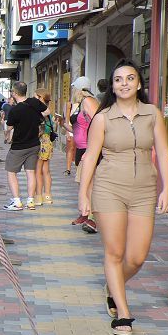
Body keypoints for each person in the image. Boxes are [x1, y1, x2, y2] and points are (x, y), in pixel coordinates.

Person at [79, 60, 168, 335]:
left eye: (130, 78)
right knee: (115, 252)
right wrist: (84, 193)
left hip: (144, 190)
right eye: (118, 79)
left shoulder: (152, 114)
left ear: (139, 83)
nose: (124, 83)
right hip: (109, 189)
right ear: (113, 85)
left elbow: (164, 152)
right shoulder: (103, 117)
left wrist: (167, 188)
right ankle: (123, 311)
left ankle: (113, 285)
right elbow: (91, 156)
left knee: (137, 256)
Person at [2, 81, 47, 211]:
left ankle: (17, 202)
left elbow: (9, 127)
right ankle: (31, 201)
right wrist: (36, 118)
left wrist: (6, 131)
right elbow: (47, 111)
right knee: (30, 172)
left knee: (11, 172)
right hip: (34, 144)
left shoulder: (15, 110)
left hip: (18, 146)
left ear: (15, 93)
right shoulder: (34, 102)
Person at [69, 78, 99, 230]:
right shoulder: (80, 104)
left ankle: (92, 217)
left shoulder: (88, 101)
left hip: (89, 148)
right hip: (81, 148)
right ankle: (85, 214)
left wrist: (91, 149)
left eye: (73, 88)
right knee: (83, 182)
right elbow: (79, 127)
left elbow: (98, 123)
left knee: (90, 184)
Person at [33, 90, 55, 206]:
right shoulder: (48, 112)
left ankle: (38, 196)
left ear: (40, 98)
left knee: (38, 171)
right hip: (48, 142)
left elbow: (38, 130)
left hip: (40, 142)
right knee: (46, 171)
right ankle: (47, 195)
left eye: (35, 96)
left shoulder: (41, 112)